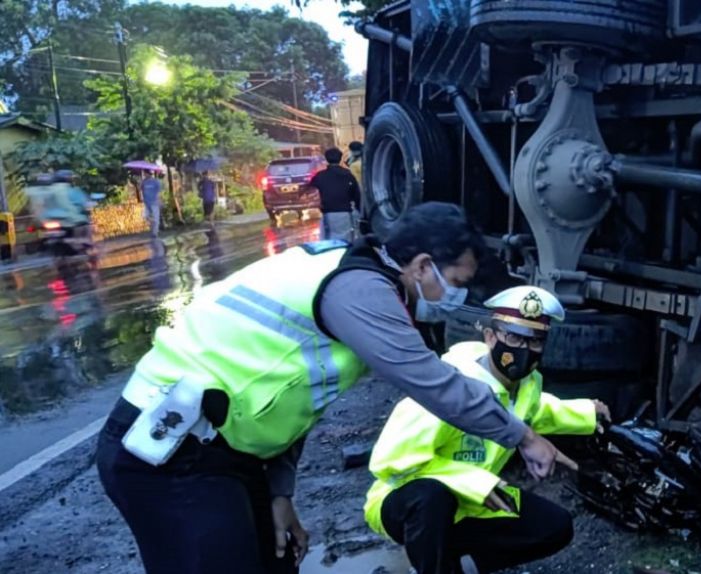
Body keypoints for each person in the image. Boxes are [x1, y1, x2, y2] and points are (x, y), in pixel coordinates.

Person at [94, 202, 573, 574]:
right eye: (456, 281)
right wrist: (524, 436)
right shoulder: (361, 290)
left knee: (278, 562)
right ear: (422, 266)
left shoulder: (360, 276)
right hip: (168, 455)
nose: (460, 296)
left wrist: (280, 494)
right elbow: (432, 381)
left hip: (226, 455)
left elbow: (296, 400)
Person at [364, 285, 611, 574]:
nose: (524, 350)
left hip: (470, 502)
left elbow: (536, 412)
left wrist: (586, 413)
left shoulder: (525, 388)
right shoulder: (446, 390)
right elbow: (391, 463)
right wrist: (475, 482)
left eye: (535, 342)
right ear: (490, 336)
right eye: (513, 337)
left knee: (555, 526)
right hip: (404, 501)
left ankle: (458, 565)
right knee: (430, 497)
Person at [309, 147, 360, 241]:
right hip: (345, 213)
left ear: (326, 159)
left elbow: (310, 191)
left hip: (327, 214)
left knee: (329, 241)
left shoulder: (320, 176)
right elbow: (357, 196)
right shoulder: (348, 175)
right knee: (347, 241)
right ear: (340, 158)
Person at [141, 170, 162, 237]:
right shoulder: (143, 182)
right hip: (147, 202)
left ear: (149, 174)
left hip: (154, 202)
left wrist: (160, 200)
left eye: (145, 173)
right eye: (144, 174)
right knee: (145, 216)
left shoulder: (155, 181)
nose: (145, 175)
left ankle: (155, 233)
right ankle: (152, 224)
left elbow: (159, 192)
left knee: (156, 218)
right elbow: (142, 191)